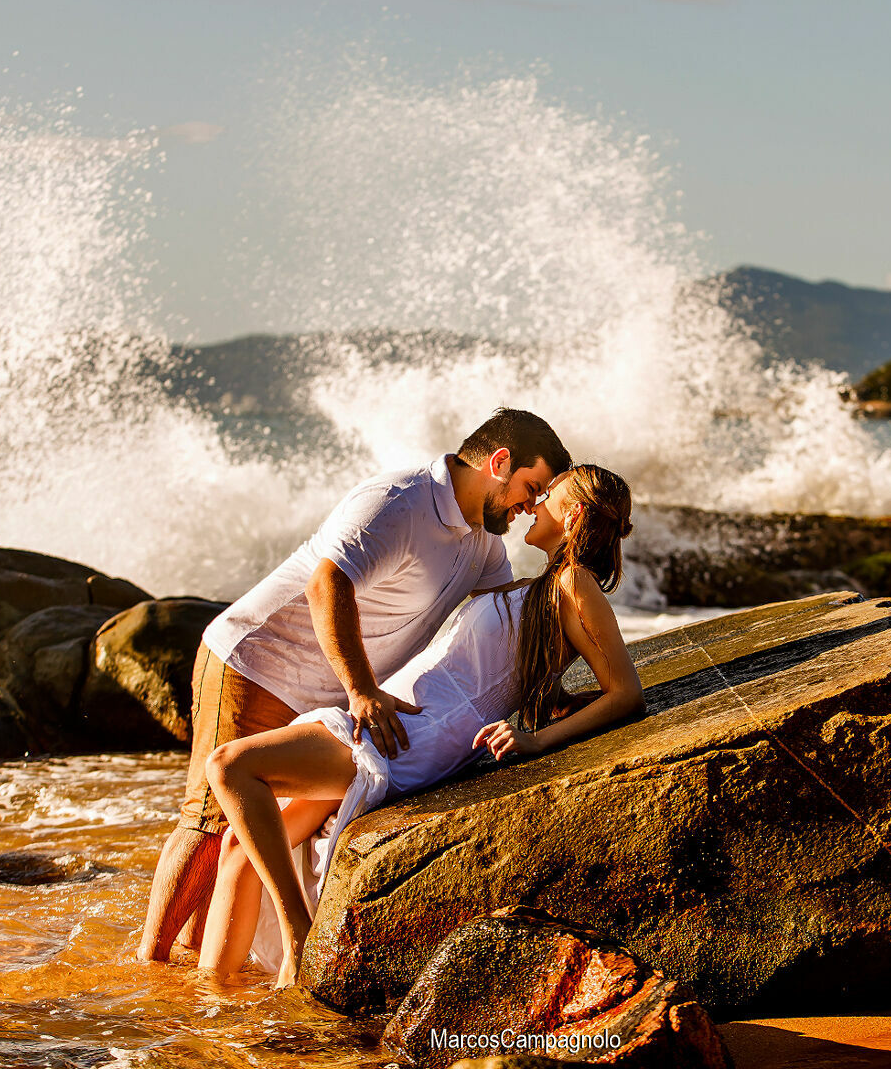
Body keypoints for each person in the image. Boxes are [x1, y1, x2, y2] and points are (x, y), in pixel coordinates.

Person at [137, 409, 571, 962]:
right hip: (258, 662)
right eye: (531, 488)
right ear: (499, 462)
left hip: (330, 695)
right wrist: (363, 691)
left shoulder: (483, 545)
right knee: (209, 818)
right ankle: (151, 964)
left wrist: (552, 691)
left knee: (244, 841)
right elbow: (327, 583)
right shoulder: (399, 500)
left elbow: (507, 625)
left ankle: (205, 967)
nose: (529, 507)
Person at [198, 464, 643, 984]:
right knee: (238, 847)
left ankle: (300, 933)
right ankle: (213, 1010)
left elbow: (626, 693)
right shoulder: (546, 586)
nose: (534, 505)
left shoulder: (573, 584)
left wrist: (535, 741)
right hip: (400, 715)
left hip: (417, 733)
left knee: (230, 767)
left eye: (548, 497)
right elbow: (529, 669)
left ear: (576, 516)